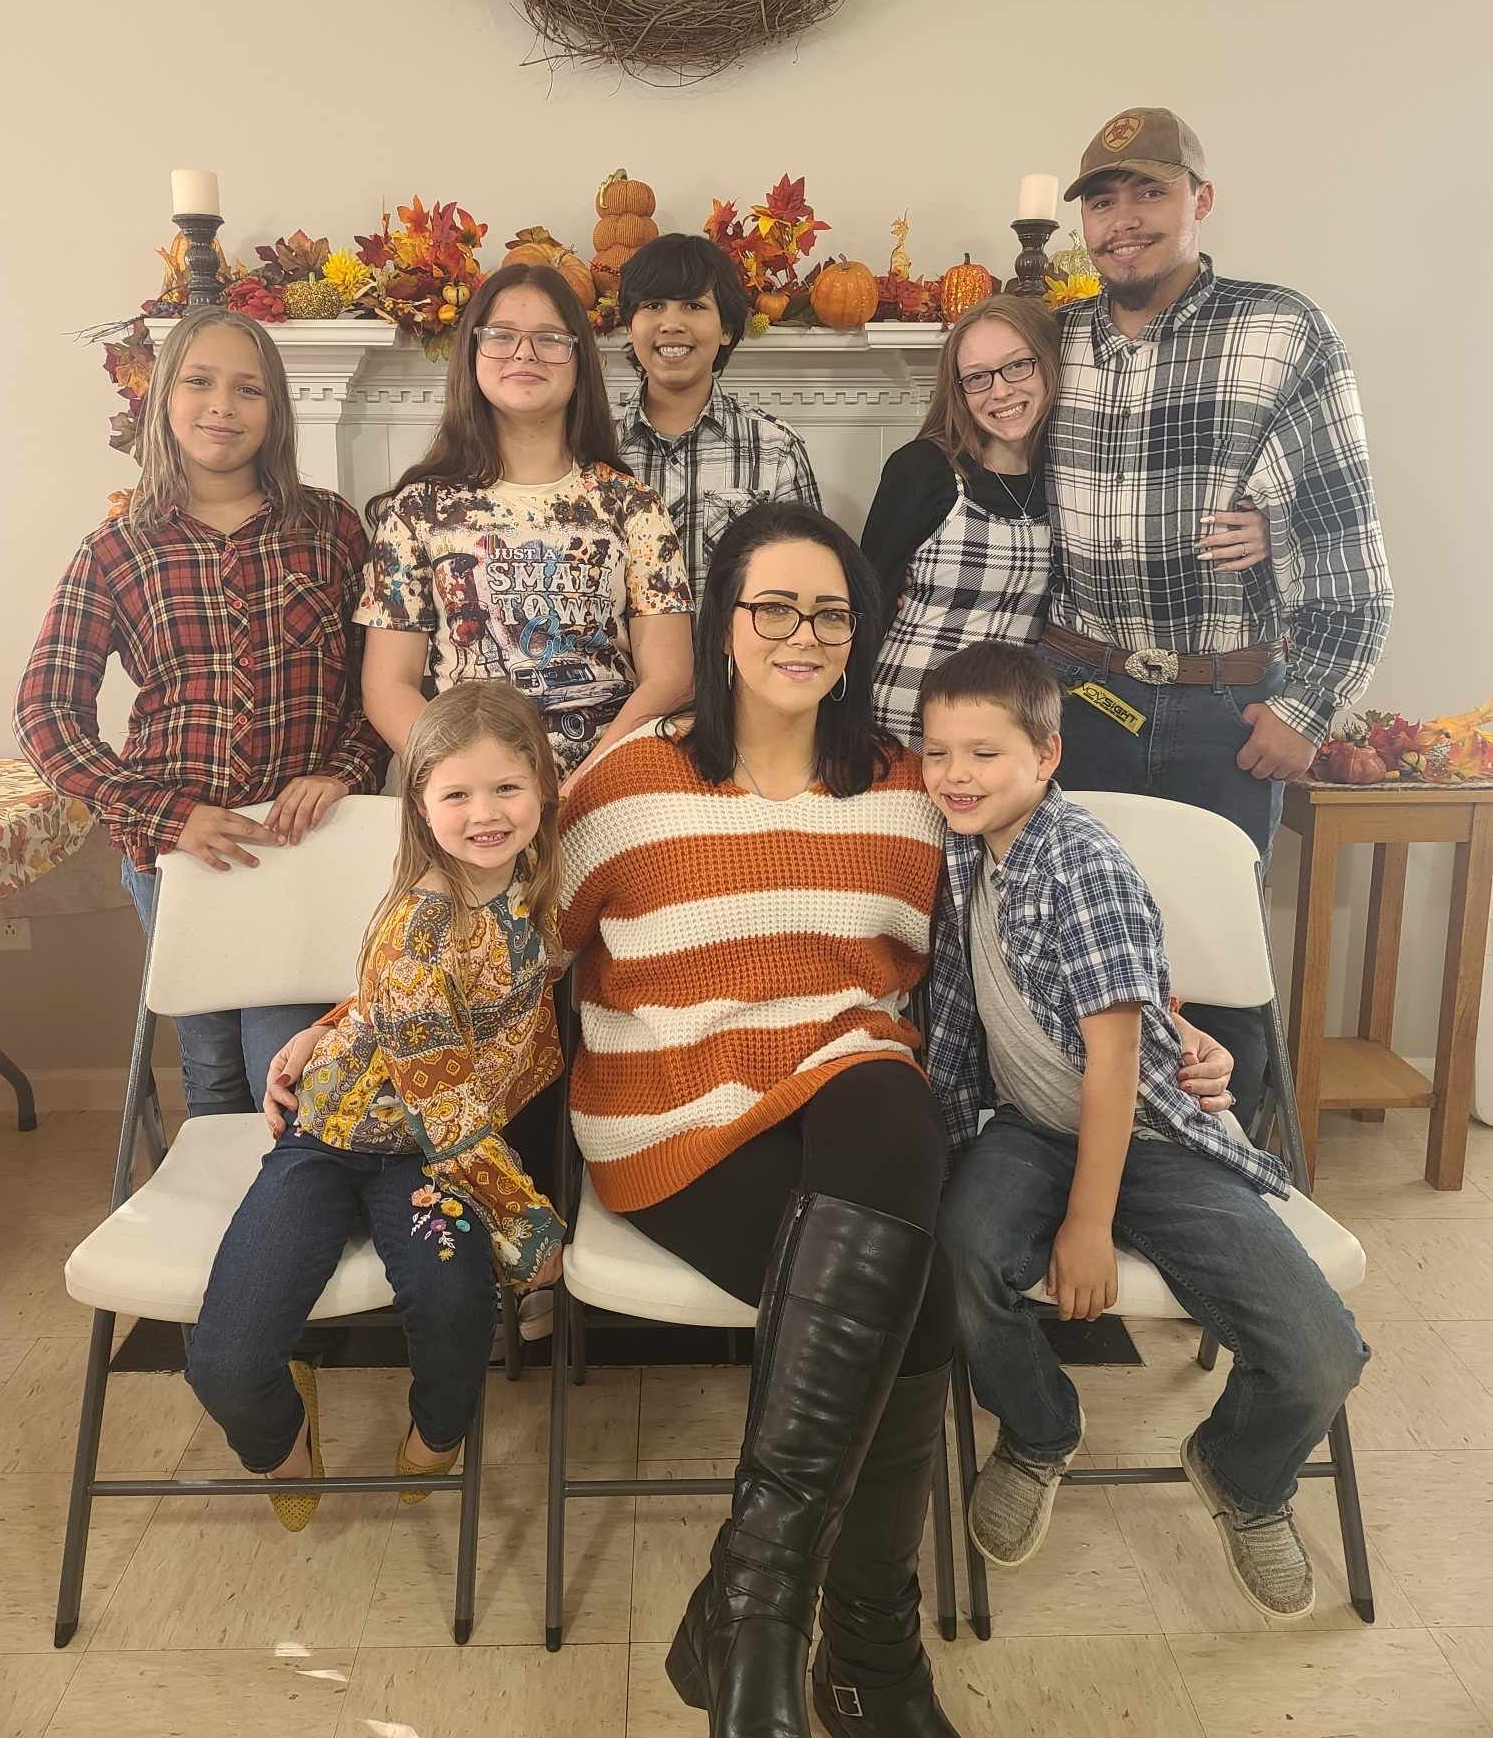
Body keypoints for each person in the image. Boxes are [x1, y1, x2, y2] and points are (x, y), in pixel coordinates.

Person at [558, 501, 958, 1737]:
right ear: (723, 623)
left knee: (887, 1092)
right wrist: (360, 1022)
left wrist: (1163, 1030)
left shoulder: (908, 787)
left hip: (851, 1102)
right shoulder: (628, 785)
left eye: (830, 611)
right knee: (920, 1295)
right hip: (671, 1113)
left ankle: (756, 1607)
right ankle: (866, 1660)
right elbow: (506, 942)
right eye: (775, 605)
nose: (805, 631)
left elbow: (1011, 955)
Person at [923, 643, 1368, 1621]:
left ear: (1047, 754)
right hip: (1030, 1125)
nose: (955, 773)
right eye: (937, 751)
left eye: (983, 752)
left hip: (1148, 1133)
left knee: (1320, 1351)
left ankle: (1243, 1472)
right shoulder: (964, 843)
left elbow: (1120, 1065)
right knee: (958, 1257)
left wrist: (1087, 1224)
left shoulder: (1081, 861)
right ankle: (1040, 1428)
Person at [1040, 105, 1393, 1117]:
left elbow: (1342, 526)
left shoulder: (1281, 328)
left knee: (1222, 974)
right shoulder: (1053, 340)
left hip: (1222, 712)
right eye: (1101, 202)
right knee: (1085, 961)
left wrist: (1311, 705)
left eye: (1148, 192)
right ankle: (1099, 1177)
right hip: (1078, 698)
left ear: (1199, 199)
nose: (1122, 221)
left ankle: (1250, 1185)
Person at [193, 681, 566, 1529]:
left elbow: (395, 1006)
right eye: (458, 794)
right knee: (224, 1359)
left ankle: (435, 1441)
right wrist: (528, 1219)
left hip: (430, 1157)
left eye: (507, 788)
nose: (487, 814)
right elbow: (447, 1105)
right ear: (420, 804)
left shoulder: (535, 878)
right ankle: (285, 1443)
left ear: (543, 787)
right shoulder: (419, 920)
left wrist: (330, 1021)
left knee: (456, 1312)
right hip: (340, 1142)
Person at [14, 309, 387, 1115]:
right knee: (213, 1067)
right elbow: (46, 714)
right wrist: (168, 815)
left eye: (248, 388)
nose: (223, 405)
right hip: (179, 857)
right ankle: (220, 1228)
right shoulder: (117, 548)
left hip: (305, 847)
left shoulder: (329, 528)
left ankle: (289, 1216)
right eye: (200, 381)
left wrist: (341, 772)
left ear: (276, 409)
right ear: (163, 399)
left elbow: (377, 684)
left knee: (285, 1064)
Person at [861, 293, 1268, 745]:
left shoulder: (1076, 478)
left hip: (1011, 732)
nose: (1000, 390)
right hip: (907, 719)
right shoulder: (923, 469)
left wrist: (1265, 527)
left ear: (1050, 365)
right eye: (977, 378)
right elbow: (866, 600)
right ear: (958, 390)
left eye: (1018, 366)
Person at [356, 262, 694, 783]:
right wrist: (470, 786)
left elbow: (670, 677)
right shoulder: (417, 510)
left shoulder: (632, 505)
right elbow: (387, 687)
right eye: (502, 336)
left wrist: (590, 781)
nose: (525, 353)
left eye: (550, 339)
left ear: (579, 360)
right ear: (472, 353)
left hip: (612, 784)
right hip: (470, 800)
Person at [615, 232, 821, 603]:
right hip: (617, 660)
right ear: (630, 325)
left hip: (732, 659)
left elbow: (807, 580)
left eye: (694, 306)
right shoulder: (592, 441)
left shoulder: (774, 449)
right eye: (654, 305)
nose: (672, 323)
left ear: (726, 329)